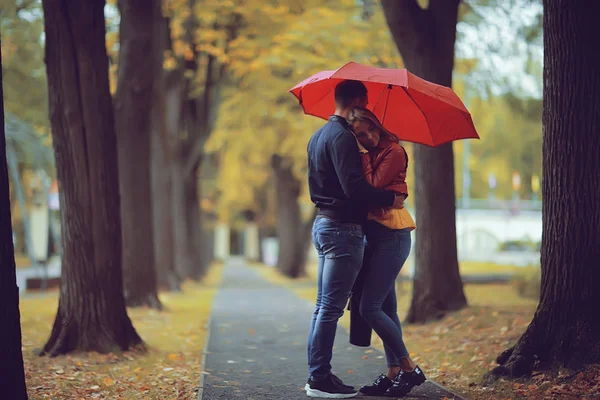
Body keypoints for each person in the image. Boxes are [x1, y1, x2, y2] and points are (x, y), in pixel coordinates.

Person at [305, 81, 405, 399]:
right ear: (359, 101)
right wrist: (390, 196)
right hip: (342, 229)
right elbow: (355, 190)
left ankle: (318, 375)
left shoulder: (317, 136)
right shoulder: (343, 137)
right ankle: (319, 379)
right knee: (330, 309)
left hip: (322, 223)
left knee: (323, 307)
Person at [346, 107, 426, 397]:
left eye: (369, 131)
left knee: (369, 307)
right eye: (359, 135)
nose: (366, 137)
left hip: (393, 235)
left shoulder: (394, 151)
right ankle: (393, 372)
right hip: (376, 235)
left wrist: (362, 153)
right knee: (387, 308)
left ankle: (408, 368)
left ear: (377, 126)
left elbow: (371, 186)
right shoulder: (373, 152)